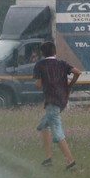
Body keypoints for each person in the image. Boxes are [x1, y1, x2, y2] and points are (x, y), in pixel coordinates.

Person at [33, 41, 80, 170]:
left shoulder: (40, 65)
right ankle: (48, 158)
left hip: (51, 101)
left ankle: (71, 162)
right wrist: (70, 85)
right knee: (42, 126)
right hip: (62, 99)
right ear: (55, 52)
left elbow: (38, 84)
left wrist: (44, 82)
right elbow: (77, 72)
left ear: (42, 53)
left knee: (57, 133)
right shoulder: (61, 64)